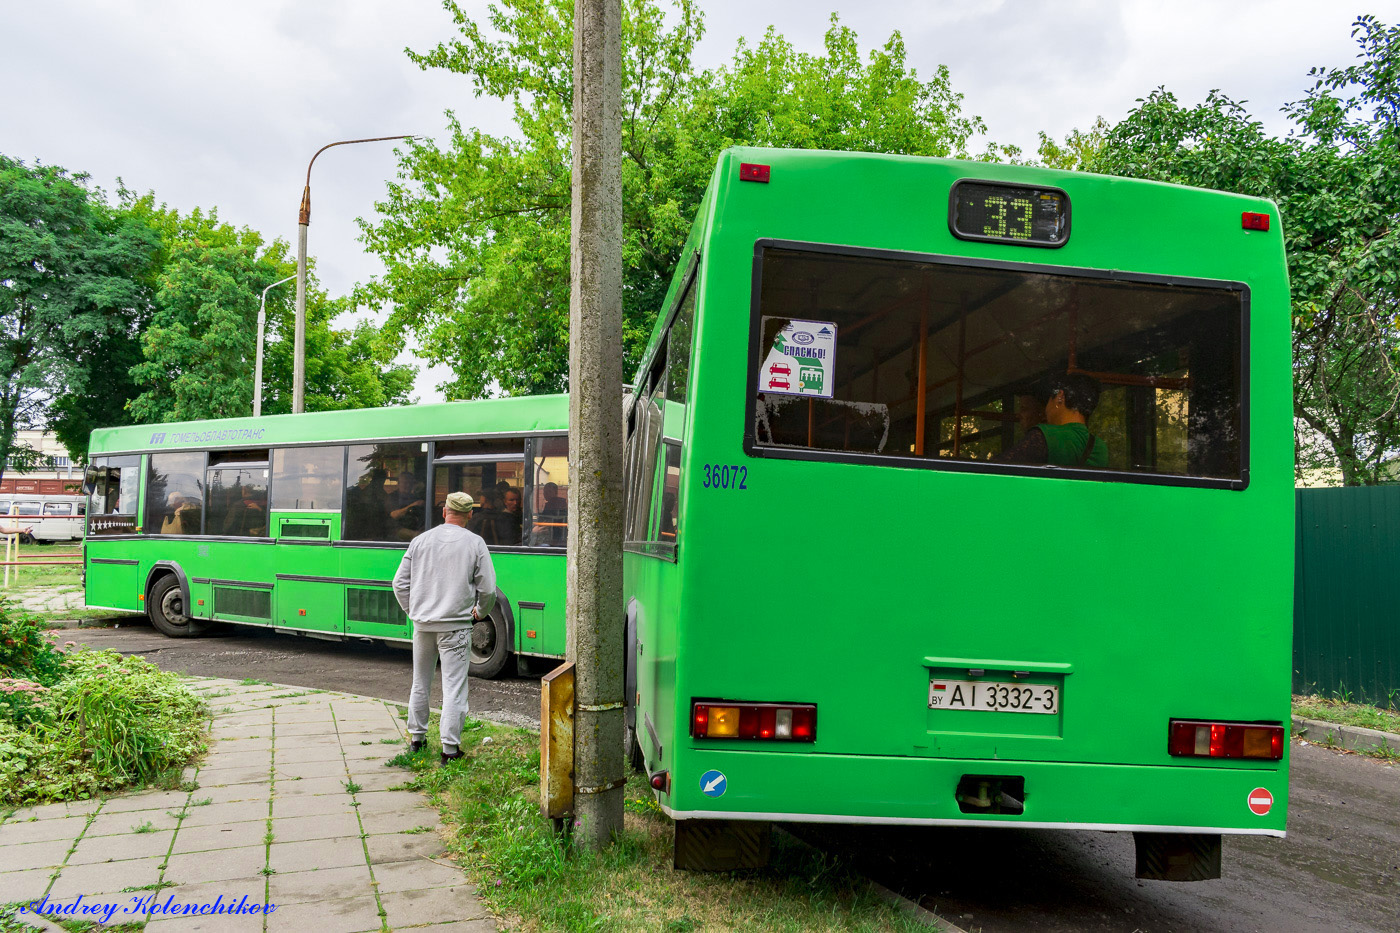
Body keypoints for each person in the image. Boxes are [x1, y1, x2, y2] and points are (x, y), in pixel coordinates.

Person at [393, 491, 497, 764]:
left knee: (420, 682)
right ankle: (450, 750)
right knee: (453, 687)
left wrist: (413, 611)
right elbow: (487, 589)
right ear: (470, 514)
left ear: (444, 511)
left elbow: (399, 584)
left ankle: (417, 739)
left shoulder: (420, 541)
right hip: (456, 626)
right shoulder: (475, 543)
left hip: (423, 624)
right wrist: (480, 612)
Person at [996, 373, 1108, 467]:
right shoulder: (1100, 446)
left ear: (1060, 397)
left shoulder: (1046, 435)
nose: (1046, 408)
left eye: (1049, 399)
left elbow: (995, 469)